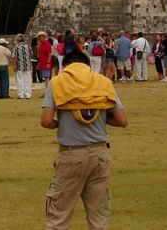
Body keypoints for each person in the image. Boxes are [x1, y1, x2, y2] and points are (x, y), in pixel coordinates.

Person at [40, 40, 128, 229]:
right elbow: (122, 120)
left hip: (71, 154)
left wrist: (63, 122)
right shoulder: (103, 82)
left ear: (66, 67)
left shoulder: (58, 83)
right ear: (88, 66)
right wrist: (99, 117)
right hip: (99, 154)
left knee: (59, 216)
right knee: (98, 217)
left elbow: (46, 121)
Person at [12, 34, 33, 99]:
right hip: (28, 66)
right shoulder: (28, 46)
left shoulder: (17, 47)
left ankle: (21, 94)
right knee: (28, 80)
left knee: (20, 80)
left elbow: (14, 57)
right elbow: (31, 55)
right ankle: (28, 94)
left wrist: (15, 65)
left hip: (19, 66)